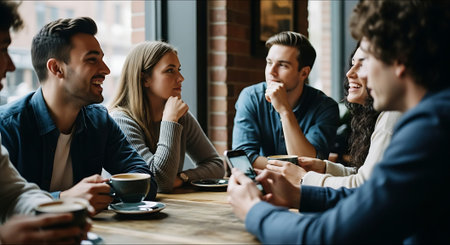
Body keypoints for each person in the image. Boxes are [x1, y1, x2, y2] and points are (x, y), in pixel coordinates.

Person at [227, 0, 450, 243]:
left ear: (400, 60)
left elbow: (325, 235)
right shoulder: (433, 115)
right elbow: (371, 196)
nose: (357, 74)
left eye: (367, 60)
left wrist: (253, 211)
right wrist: (299, 196)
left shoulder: (431, 127)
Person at [0, 17, 157, 213]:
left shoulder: (99, 121)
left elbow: (145, 179)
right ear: (56, 68)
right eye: (92, 59)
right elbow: (5, 205)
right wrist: (64, 199)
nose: (106, 70)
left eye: (102, 58)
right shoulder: (6, 127)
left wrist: (99, 192)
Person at [0, 1, 89, 243]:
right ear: (56, 69)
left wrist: (55, 215)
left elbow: (15, 194)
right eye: (1, 49)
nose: (10, 65)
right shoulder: (8, 123)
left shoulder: (97, 118)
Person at [266, 43, 402, 188]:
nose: (349, 73)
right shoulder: (251, 96)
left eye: (363, 65)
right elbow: (364, 175)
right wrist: (325, 168)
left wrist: (304, 178)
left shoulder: (392, 116)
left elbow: (365, 186)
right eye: (353, 64)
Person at [109, 41, 224, 192]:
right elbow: (159, 182)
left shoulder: (180, 116)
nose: (181, 78)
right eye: (170, 70)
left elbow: (216, 165)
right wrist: (169, 121)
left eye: (179, 69)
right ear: (145, 79)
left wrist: (183, 177)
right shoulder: (121, 121)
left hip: (169, 207)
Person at [232, 31, 339, 169]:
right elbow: (243, 159)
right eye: (269, 62)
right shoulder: (251, 97)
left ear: (304, 73)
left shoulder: (325, 107)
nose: (271, 71)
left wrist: (285, 111)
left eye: (282, 65)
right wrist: (290, 167)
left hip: (304, 188)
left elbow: (309, 164)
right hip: (261, 184)